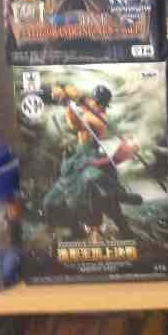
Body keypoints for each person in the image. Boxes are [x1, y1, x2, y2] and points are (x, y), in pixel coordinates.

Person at [41, 83, 141, 240]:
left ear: (102, 105)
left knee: (94, 182)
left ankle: (120, 198)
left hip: (91, 156)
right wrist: (67, 94)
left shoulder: (98, 119)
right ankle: (72, 228)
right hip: (78, 156)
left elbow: (75, 124)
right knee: (57, 198)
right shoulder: (90, 108)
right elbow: (78, 97)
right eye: (93, 100)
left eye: (97, 102)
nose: (93, 103)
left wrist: (67, 104)